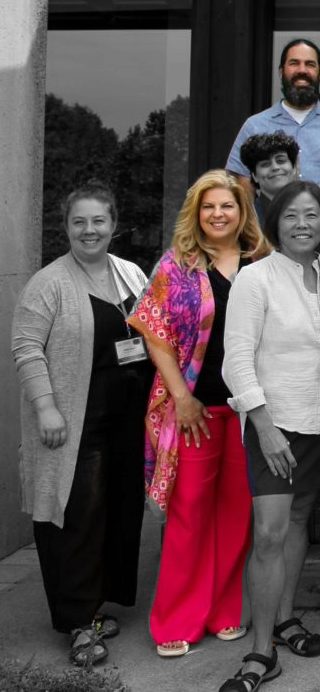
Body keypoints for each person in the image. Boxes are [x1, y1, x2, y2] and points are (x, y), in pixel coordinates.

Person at [129, 170, 273, 658]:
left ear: (241, 212)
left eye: (227, 206)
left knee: (236, 513)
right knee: (190, 512)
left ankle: (224, 611)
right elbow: (154, 334)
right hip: (197, 407)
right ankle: (178, 618)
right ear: (197, 212)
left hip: (247, 408)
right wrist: (182, 397)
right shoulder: (177, 265)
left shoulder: (262, 260)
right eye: (209, 206)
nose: (218, 214)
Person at [12, 180, 151, 667]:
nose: (89, 230)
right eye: (79, 222)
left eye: (98, 221)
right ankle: (78, 622)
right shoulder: (48, 283)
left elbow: (153, 332)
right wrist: (46, 406)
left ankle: (96, 605)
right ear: (66, 227)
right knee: (75, 514)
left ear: (114, 225)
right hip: (74, 419)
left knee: (116, 509)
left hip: (127, 418)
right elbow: (26, 348)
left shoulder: (132, 273)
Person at [217, 180, 320, 692]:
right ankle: (260, 651)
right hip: (277, 420)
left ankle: (287, 621)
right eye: (291, 216)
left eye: (311, 215)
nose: (302, 225)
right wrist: (263, 426)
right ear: (275, 222)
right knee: (268, 532)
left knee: (299, 515)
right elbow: (236, 359)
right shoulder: (255, 277)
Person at [226, 38, 320, 206]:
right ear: (281, 72)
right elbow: (242, 189)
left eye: (310, 64)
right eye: (294, 63)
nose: (302, 70)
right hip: (268, 230)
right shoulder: (254, 126)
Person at [238, 133, 300, 224]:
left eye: (281, 161)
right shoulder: (245, 220)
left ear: (294, 168)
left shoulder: (316, 209)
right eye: (265, 164)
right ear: (254, 176)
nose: (275, 167)